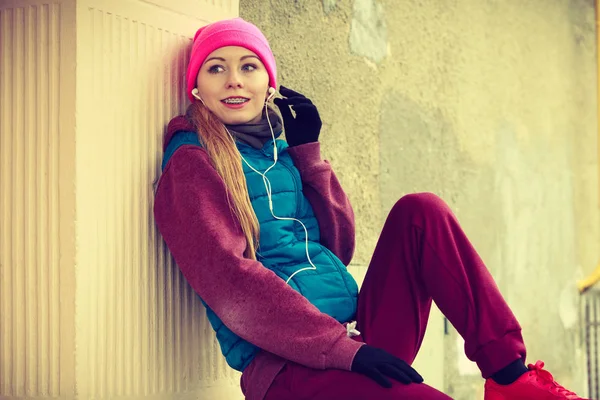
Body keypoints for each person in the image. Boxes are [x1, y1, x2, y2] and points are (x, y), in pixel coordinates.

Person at [153, 17, 587, 400]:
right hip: (287, 368)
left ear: (269, 83)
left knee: (422, 211)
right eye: (217, 68)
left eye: (248, 66)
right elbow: (232, 286)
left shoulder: (279, 151)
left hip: (356, 338)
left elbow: (338, 248)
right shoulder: (192, 160)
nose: (234, 80)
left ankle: (511, 379)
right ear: (197, 90)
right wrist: (341, 351)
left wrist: (309, 155)